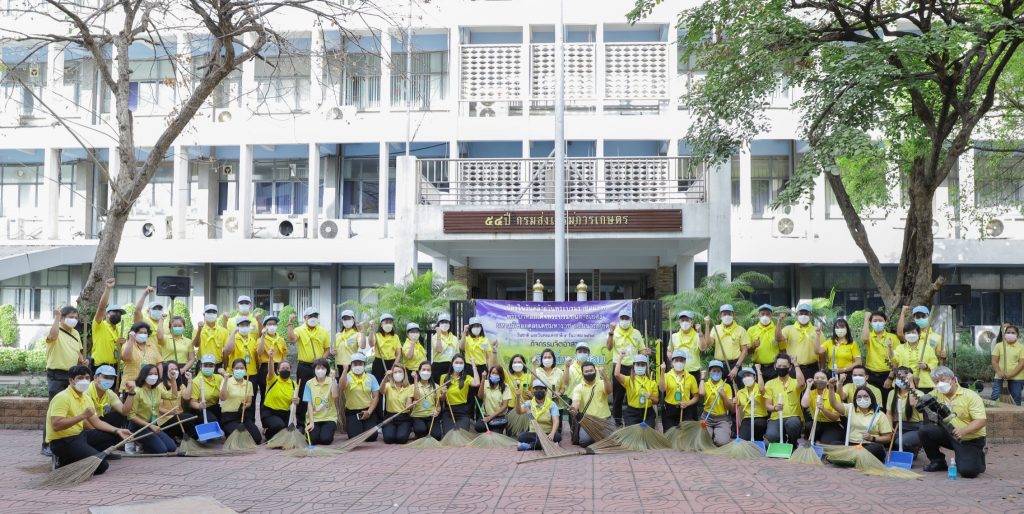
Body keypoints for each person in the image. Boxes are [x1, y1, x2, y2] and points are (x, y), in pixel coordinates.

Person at [45, 365, 131, 473]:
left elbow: (97, 422)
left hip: (80, 435)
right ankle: (64, 460)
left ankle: (82, 454)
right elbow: (56, 425)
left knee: (114, 435)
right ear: (71, 380)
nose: (84, 381)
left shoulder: (85, 398)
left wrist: (118, 430)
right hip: (63, 441)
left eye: (86, 378)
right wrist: (82, 416)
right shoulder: (62, 397)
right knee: (102, 466)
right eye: (80, 378)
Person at [917, 366, 987, 478]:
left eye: (943, 380)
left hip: (969, 439)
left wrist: (964, 431)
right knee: (925, 430)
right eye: (936, 381)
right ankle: (938, 462)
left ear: (953, 379)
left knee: (968, 471)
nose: (940, 384)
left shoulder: (970, 396)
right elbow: (922, 398)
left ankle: (978, 456)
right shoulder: (936, 393)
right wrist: (918, 397)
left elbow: (981, 421)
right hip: (949, 434)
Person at [43, 305, 87, 455]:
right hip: (56, 374)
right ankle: (47, 444)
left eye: (76, 317)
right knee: (54, 409)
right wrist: (56, 318)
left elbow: (78, 351)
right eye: (70, 317)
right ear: (62, 318)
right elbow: (52, 337)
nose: (74, 320)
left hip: (71, 375)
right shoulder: (55, 329)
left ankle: (67, 440)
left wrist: (82, 360)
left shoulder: (75, 333)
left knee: (70, 407)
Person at [827, 384, 893, 463]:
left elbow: (888, 438)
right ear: (855, 399)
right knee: (834, 445)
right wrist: (831, 387)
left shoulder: (880, 415)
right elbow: (834, 404)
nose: (862, 399)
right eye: (859, 397)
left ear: (871, 398)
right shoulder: (850, 408)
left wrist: (872, 438)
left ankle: (848, 458)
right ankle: (854, 459)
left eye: (865, 396)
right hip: (851, 444)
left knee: (876, 449)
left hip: (869, 445)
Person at [289, 306, 330, 427]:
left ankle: (318, 420)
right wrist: (290, 323)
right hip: (304, 367)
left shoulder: (323, 331)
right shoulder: (299, 330)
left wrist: (322, 361)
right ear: (305, 318)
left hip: (319, 367)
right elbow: (292, 339)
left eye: (315, 316)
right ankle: (301, 423)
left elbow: (327, 348)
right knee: (302, 393)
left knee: (319, 392)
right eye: (310, 316)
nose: (313, 318)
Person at [606, 309, 648, 423]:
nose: (624, 320)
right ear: (619, 319)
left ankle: (632, 419)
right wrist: (611, 332)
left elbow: (641, 350)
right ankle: (617, 420)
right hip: (619, 367)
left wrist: (646, 351)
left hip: (633, 368)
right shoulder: (614, 331)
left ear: (631, 319)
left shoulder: (636, 333)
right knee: (618, 396)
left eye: (627, 318)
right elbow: (609, 347)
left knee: (633, 394)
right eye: (622, 318)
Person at [126, 364, 178, 454]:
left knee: (172, 447)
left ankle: (145, 444)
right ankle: (136, 442)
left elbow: (173, 396)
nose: (153, 376)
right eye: (150, 374)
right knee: (162, 450)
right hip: (139, 427)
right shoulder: (137, 391)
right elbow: (131, 416)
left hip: (153, 426)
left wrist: (173, 380)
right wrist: (149, 425)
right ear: (144, 375)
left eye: (155, 374)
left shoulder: (157, 390)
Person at [223, 317, 259, 422]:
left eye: (247, 325)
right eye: (242, 325)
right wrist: (233, 333)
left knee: (250, 401)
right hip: (236, 374)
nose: (245, 327)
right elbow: (227, 351)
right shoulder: (233, 338)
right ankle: (233, 421)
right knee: (234, 398)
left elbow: (256, 357)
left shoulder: (252, 339)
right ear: (238, 326)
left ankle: (250, 421)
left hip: (251, 374)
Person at [764, 353, 805, 445]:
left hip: (793, 418)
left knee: (793, 424)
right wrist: (775, 408)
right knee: (771, 436)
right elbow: (767, 405)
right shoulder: (769, 384)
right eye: (779, 366)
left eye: (784, 366)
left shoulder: (795, 382)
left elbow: (802, 383)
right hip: (776, 418)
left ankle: (792, 443)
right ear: (775, 367)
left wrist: (796, 364)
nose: (781, 368)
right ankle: (780, 438)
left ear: (790, 368)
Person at [569, 360, 612, 446]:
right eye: (586, 371)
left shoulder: (602, 383)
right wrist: (574, 409)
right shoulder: (578, 388)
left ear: (595, 371)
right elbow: (576, 403)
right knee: (584, 441)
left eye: (591, 370)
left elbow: (609, 391)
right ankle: (598, 439)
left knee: (611, 440)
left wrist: (605, 378)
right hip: (588, 422)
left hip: (604, 420)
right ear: (582, 373)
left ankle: (598, 438)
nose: (589, 373)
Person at [219, 358, 262, 444]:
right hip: (228, 417)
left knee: (257, 438)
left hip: (242, 415)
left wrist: (246, 406)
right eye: (237, 368)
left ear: (245, 370)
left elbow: (249, 402)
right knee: (239, 438)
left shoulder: (249, 384)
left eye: (242, 368)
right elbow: (222, 398)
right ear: (232, 370)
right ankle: (228, 432)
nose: (239, 370)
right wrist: (226, 380)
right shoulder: (226, 381)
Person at [339, 353, 380, 442]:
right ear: (351, 365)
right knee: (355, 437)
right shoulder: (347, 377)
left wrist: (369, 412)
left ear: (364, 365)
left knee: (372, 437)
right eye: (355, 364)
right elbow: (341, 387)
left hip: (367, 411)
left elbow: (376, 396)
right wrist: (345, 370)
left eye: (360, 364)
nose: (358, 366)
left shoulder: (371, 377)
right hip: (352, 413)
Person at [706, 304, 750, 381]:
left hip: (734, 365)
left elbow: (744, 351)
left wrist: (736, 367)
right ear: (720, 316)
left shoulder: (741, 330)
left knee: (735, 387)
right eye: (724, 314)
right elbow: (708, 344)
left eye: (729, 314)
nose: (727, 316)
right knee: (719, 387)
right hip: (718, 365)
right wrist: (707, 325)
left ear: (733, 315)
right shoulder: (716, 328)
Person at [260, 346, 296, 441]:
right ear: (278, 370)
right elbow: (270, 371)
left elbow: (295, 401)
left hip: (285, 413)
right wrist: (271, 358)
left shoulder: (294, 384)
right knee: (279, 426)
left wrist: (297, 401)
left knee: (286, 430)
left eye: (287, 368)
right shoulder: (273, 379)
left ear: (290, 370)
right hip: (270, 412)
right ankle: (267, 433)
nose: (285, 370)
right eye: (283, 368)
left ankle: (277, 436)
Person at [779, 303, 823, 379]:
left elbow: (822, 352)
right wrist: (779, 322)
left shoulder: (817, 331)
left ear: (810, 315)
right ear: (796, 315)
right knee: (794, 387)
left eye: (806, 314)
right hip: (793, 367)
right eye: (801, 313)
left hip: (812, 368)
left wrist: (822, 369)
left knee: (811, 386)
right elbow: (779, 340)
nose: (803, 316)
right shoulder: (788, 329)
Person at [515, 379, 562, 450]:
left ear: (546, 391)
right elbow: (519, 412)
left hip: (547, 433)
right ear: (533, 391)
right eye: (536, 389)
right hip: (534, 433)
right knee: (521, 436)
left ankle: (529, 446)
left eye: (541, 389)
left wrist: (552, 433)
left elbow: (556, 421)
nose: (538, 391)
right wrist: (518, 398)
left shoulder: (552, 404)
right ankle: (549, 444)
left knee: (557, 437)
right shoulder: (529, 403)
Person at [893, 322, 939, 394]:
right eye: (908, 333)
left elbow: (934, 362)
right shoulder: (899, 348)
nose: (911, 335)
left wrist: (926, 366)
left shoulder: (927, 348)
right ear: (904, 335)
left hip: (924, 384)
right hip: (905, 383)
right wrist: (889, 348)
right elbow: (894, 360)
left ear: (919, 333)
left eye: (913, 332)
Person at [885, 366, 922, 454]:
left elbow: (913, 403)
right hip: (899, 425)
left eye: (904, 377)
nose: (901, 379)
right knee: (885, 439)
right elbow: (889, 413)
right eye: (898, 377)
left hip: (916, 427)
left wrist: (911, 382)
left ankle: (915, 448)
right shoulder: (892, 393)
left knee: (900, 442)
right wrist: (890, 428)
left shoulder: (919, 393)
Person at [615, 353, 659, 427]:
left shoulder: (652, 382)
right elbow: (617, 374)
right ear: (634, 366)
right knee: (633, 433)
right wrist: (619, 358)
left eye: (642, 365)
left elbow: (656, 401)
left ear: (646, 367)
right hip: (632, 413)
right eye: (638, 364)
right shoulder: (629, 380)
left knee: (647, 432)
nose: (640, 367)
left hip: (648, 413)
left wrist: (650, 396)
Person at [439, 354, 479, 433]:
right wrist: (443, 393)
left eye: (461, 363)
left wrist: (473, 365)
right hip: (449, 411)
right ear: (452, 364)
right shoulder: (444, 377)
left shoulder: (467, 377)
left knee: (461, 434)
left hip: (463, 411)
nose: (458, 365)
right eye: (456, 362)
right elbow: (442, 399)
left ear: (464, 365)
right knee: (449, 434)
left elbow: (477, 383)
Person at [660, 349, 699, 431]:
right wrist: (662, 372)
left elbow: (696, 397)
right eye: (676, 360)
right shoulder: (666, 376)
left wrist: (687, 403)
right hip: (670, 409)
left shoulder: (691, 377)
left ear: (685, 362)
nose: (679, 362)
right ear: (672, 362)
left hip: (685, 409)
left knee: (684, 435)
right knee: (670, 434)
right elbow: (662, 389)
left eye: (681, 360)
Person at [90, 278, 124, 373]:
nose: (118, 314)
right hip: (100, 366)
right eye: (115, 312)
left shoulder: (117, 329)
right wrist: (108, 288)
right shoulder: (99, 324)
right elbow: (101, 307)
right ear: (107, 314)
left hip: (114, 366)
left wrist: (120, 345)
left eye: (120, 313)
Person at [800, 370, 844, 444]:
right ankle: (815, 441)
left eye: (822, 378)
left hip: (831, 424)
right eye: (817, 378)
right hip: (816, 423)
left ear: (827, 381)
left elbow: (835, 417)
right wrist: (808, 386)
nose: (819, 380)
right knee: (808, 426)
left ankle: (821, 441)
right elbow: (804, 404)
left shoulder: (835, 395)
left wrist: (823, 409)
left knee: (826, 444)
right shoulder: (811, 393)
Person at [305, 358, 341, 445]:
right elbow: (309, 404)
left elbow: (335, 396)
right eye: (318, 368)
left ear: (327, 370)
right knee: (313, 440)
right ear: (314, 370)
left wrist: (333, 380)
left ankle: (326, 432)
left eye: (323, 368)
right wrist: (311, 422)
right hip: (314, 418)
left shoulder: (331, 381)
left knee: (326, 440)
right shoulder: (309, 383)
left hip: (329, 418)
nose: (320, 370)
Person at [698, 360, 734, 445]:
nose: (716, 373)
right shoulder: (705, 384)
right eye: (714, 371)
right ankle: (712, 434)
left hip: (722, 419)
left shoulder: (726, 386)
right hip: (707, 418)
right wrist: (702, 378)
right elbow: (701, 393)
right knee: (704, 441)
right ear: (709, 372)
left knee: (721, 442)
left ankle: (718, 434)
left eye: (718, 371)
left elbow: (731, 408)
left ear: (722, 373)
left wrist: (724, 395)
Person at [862, 310, 900, 390]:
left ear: (885, 322)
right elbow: (864, 339)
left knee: (887, 397)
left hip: (887, 374)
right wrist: (866, 319)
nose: (878, 323)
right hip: (870, 374)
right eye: (875, 321)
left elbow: (897, 359)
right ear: (870, 323)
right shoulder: (869, 336)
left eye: (880, 320)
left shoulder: (893, 337)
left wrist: (890, 378)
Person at [120, 322, 162, 393]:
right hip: (131, 386)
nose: (143, 334)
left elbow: (159, 363)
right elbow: (126, 358)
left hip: (149, 386)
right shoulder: (127, 344)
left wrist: (158, 380)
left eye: (145, 333)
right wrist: (131, 339)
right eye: (140, 332)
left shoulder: (152, 346)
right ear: (134, 333)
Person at [462, 316, 495, 405]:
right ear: (470, 328)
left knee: (481, 390)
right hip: (469, 368)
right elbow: (461, 347)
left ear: (481, 328)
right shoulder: (467, 339)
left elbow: (489, 357)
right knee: (469, 391)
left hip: (482, 368)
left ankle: (479, 410)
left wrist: (489, 371)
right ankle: (469, 411)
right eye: (474, 326)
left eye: (478, 326)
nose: (476, 328)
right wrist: (464, 332)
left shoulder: (485, 340)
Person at [256, 314, 287, 406]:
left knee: (277, 393)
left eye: (274, 324)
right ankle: (264, 413)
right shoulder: (260, 339)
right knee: (265, 394)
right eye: (269, 324)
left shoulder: (281, 340)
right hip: (265, 368)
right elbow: (259, 352)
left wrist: (283, 368)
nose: (272, 326)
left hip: (278, 367)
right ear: (265, 326)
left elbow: (283, 355)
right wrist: (262, 337)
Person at [87, 365, 131, 430]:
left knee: (118, 415)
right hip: (87, 425)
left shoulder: (110, 393)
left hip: (100, 421)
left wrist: (131, 393)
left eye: (111, 378)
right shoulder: (86, 391)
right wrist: (97, 432)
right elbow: (83, 420)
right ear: (95, 377)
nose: (108, 380)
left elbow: (124, 412)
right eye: (106, 377)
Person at [188, 355, 223, 436]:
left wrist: (225, 375)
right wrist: (199, 406)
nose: (208, 367)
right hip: (201, 409)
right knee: (214, 425)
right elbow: (192, 403)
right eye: (205, 365)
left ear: (214, 367)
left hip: (215, 407)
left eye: (211, 365)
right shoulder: (196, 381)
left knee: (224, 423)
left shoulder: (219, 378)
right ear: (201, 366)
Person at [157, 361, 191, 441]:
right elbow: (158, 409)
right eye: (171, 370)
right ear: (165, 372)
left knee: (191, 419)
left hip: (179, 416)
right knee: (188, 418)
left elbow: (187, 397)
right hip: (165, 419)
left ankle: (187, 439)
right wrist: (172, 412)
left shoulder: (181, 385)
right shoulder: (160, 387)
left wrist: (189, 381)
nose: (174, 371)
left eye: (176, 369)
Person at [382, 363, 416, 444]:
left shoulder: (409, 387)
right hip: (390, 417)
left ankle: (407, 430)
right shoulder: (388, 385)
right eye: (395, 372)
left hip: (404, 417)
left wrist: (412, 405)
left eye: (400, 372)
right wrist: (385, 378)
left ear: (404, 374)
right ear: (392, 374)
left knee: (401, 439)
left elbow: (408, 406)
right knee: (388, 439)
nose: (398, 374)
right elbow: (381, 391)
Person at [990, 323, 1023, 405]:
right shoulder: (999, 346)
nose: (1010, 334)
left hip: (1016, 378)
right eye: (1008, 332)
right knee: (995, 398)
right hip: (1000, 377)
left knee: (1015, 399)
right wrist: (1000, 372)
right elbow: (994, 361)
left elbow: (1021, 363)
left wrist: (1010, 374)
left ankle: (1015, 413)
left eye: (1013, 333)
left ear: (1017, 335)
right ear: (1004, 334)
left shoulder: (1021, 347)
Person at [667, 310, 706, 378]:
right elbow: (669, 351)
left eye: (687, 320)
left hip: (694, 371)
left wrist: (700, 332)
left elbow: (703, 348)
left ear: (691, 322)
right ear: (679, 322)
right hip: (678, 371)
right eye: (682, 320)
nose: (684, 322)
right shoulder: (674, 336)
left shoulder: (697, 336)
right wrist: (670, 356)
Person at [476, 365, 511, 434]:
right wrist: (483, 380)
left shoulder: (505, 387)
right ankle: (491, 428)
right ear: (490, 374)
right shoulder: (486, 383)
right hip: (486, 415)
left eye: (497, 374)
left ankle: (497, 429)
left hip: (498, 416)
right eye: (493, 373)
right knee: (478, 427)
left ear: (501, 375)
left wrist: (490, 417)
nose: (495, 375)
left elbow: (504, 406)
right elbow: (480, 396)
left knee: (495, 433)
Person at [748, 305, 780, 381]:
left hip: (774, 367)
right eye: (762, 314)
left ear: (771, 315)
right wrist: (753, 346)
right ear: (758, 315)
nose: (765, 316)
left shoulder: (777, 329)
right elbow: (748, 352)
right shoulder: (751, 330)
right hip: (757, 366)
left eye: (768, 314)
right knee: (758, 388)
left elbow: (782, 349)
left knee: (773, 388)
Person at [735, 365, 767, 442]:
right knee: (743, 439)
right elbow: (737, 409)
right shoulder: (740, 392)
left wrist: (758, 370)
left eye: (748, 375)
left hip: (760, 418)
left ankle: (759, 440)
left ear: (754, 377)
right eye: (744, 376)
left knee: (756, 425)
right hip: (747, 419)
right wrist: (739, 424)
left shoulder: (759, 387)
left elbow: (762, 389)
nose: (746, 378)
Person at [411, 361, 441, 439]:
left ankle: (428, 429)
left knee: (437, 436)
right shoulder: (413, 386)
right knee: (421, 430)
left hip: (431, 416)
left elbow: (438, 406)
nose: (426, 372)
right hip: (418, 416)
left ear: (431, 372)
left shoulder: (436, 387)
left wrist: (437, 412)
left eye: (428, 370)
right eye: (423, 370)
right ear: (419, 372)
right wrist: (415, 380)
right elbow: (416, 398)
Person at [193, 304, 228, 370]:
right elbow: (196, 345)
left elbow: (226, 350)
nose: (211, 314)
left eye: (213, 312)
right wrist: (199, 330)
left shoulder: (224, 331)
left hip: (217, 364)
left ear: (217, 314)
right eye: (208, 312)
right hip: (202, 364)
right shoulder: (197, 329)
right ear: (204, 314)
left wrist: (225, 367)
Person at [331, 309, 364, 378]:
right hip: (338, 365)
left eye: (348, 318)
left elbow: (362, 346)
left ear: (353, 319)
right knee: (340, 384)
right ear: (342, 321)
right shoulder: (337, 335)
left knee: (350, 384)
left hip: (351, 365)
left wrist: (362, 332)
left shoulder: (357, 334)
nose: (346, 320)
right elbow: (332, 350)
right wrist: (332, 351)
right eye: (344, 319)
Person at [371, 313, 401, 383]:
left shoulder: (395, 337)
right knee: (378, 384)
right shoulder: (376, 335)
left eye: (390, 322)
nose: (388, 324)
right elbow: (371, 343)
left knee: (390, 384)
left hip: (392, 363)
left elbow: (398, 354)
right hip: (379, 363)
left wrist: (393, 368)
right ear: (381, 325)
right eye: (386, 322)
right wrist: (372, 331)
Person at [431, 314, 458, 383]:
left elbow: (457, 354)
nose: (444, 324)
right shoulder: (435, 337)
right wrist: (439, 335)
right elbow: (439, 349)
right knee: (439, 387)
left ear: (449, 324)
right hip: (438, 366)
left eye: (446, 322)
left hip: (451, 366)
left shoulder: (454, 338)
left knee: (450, 387)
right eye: (442, 322)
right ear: (438, 324)